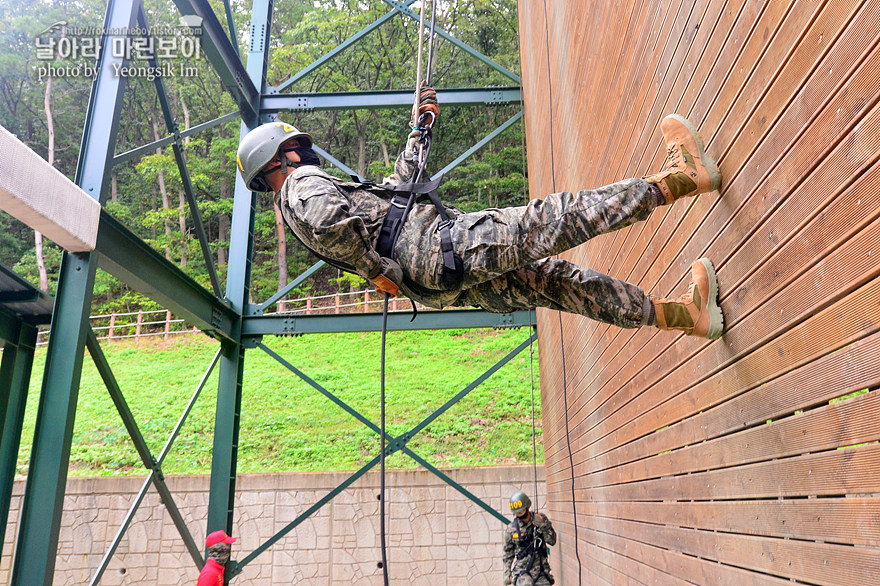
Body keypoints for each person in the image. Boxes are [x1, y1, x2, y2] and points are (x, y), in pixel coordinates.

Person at [236, 87, 725, 339]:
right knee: (554, 219)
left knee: (560, 285)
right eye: (294, 144)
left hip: (436, 278)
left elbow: (393, 197)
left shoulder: (295, 200)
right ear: (279, 158)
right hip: (439, 249)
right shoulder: (301, 184)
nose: (302, 150)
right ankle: (680, 180)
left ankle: (685, 316)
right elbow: (332, 224)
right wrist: (373, 270)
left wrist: (420, 130)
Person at [503, 491, 556, 585]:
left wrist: (543, 526)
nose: (520, 515)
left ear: (527, 507)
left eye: (522, 511)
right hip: (522, 572)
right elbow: (508, 554)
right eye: (517, 513)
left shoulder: (540, 519)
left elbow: (552, 541)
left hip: (541, 570)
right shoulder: (511, 529)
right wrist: (507, 572)